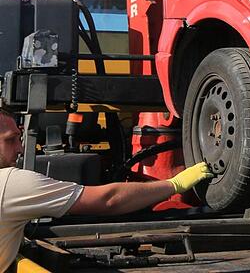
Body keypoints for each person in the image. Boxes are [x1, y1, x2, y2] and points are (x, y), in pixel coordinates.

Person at [0, 108, 213, 270]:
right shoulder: (11, 183)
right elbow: (108, 200)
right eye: (11, 140)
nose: (20, 149)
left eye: (19, 139)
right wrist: (174, 184)